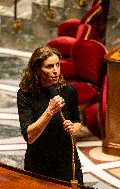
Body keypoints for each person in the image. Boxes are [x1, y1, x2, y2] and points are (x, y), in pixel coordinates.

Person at [17, 46, 83, 184]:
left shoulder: (69, 90)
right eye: (49, 66)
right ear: (37, 69)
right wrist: (50, 111)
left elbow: (77, 122)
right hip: (38, 162)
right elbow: (29, 136)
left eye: (57, 65)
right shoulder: (25, 95)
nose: (55, 71)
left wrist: (73, 129)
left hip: (65, 160)